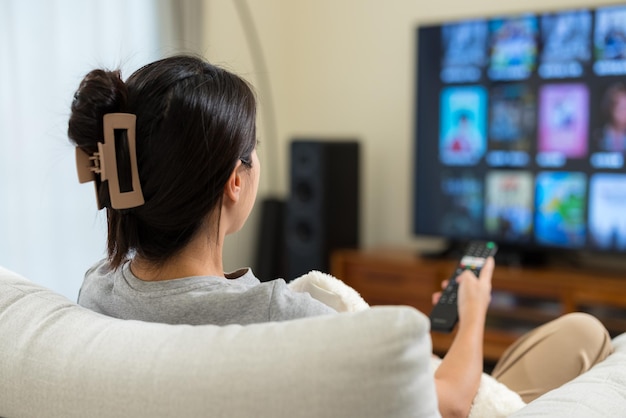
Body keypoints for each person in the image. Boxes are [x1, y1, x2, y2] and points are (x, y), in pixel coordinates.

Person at [68, 55, 612, 417]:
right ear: (235, 180)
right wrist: (472, 314)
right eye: (252, 150)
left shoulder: (98, 291)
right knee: (586, 336)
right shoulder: (280, 317)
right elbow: (445, 401)